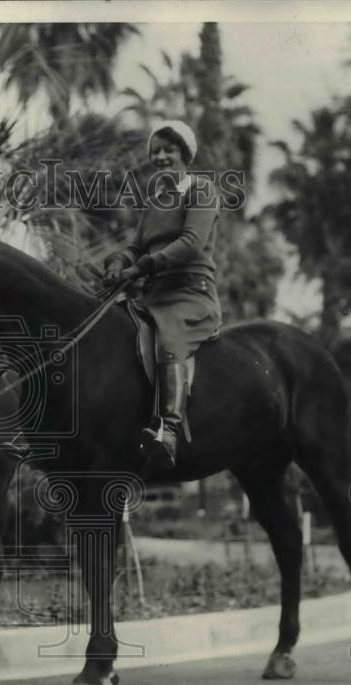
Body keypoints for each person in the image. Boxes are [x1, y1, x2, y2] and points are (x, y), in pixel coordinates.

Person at [104, 120, 222, 469]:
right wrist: (118, 262)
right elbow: (135, 246)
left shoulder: (202, 190)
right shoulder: (156, 201)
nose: (161, 157)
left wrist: (142, 266)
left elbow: (190, 244)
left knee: (169, 337)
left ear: (184, 154)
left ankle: (168, 428)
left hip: (189, 294)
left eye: (168, 150)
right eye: (156, 152)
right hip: (152, 294)